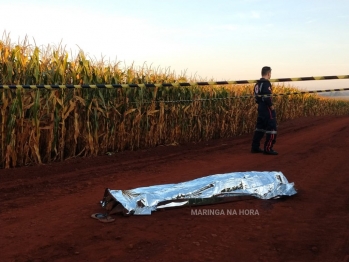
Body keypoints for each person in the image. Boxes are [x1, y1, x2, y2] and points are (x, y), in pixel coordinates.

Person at [251, 66, 278, 155]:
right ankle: (268, 148)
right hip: (267, 108)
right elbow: (267, 97)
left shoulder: (257, 84)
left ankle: (255, 147)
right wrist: (271, 105)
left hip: (260, 107)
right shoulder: (266, 83)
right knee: (272, 127)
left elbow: (256, 96)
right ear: (268, 73)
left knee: (260, 128)